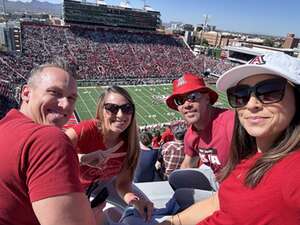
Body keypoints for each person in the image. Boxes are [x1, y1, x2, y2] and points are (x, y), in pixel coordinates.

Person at [160, 52, 300, 225]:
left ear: (207, 98)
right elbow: (219, 199)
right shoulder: (253, 154)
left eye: (269, 91)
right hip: (225, 184)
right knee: (177, 179)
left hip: (223, 183)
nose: (251, 104)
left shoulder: (293, 171)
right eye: (241, 94)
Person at [0, 59, 97, 225]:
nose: (65, 104)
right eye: (55, 93)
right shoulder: (48, 139)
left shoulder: (5, 126)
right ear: (26, 93)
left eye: (72, 98)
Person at [65, 86, 154, 222]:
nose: (120, 115)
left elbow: (123, 184)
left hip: (105, 183)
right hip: (74, 186)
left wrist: (133, 200)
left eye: (127, 108)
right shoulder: (85, 130)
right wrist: (82, 158)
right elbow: (50, 153)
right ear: (101, 110)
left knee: (146, 212)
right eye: (112, 108)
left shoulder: (130, 143)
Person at [165, 72, 234, 208]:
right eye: (180, 101)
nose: (186, 105)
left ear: (207, 98)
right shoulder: (191, 134)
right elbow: (187, 165)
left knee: (181, 197)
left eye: (192, 97)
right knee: (176, 179)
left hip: (239, 191)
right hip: (220, 184)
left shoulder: (229, 122)